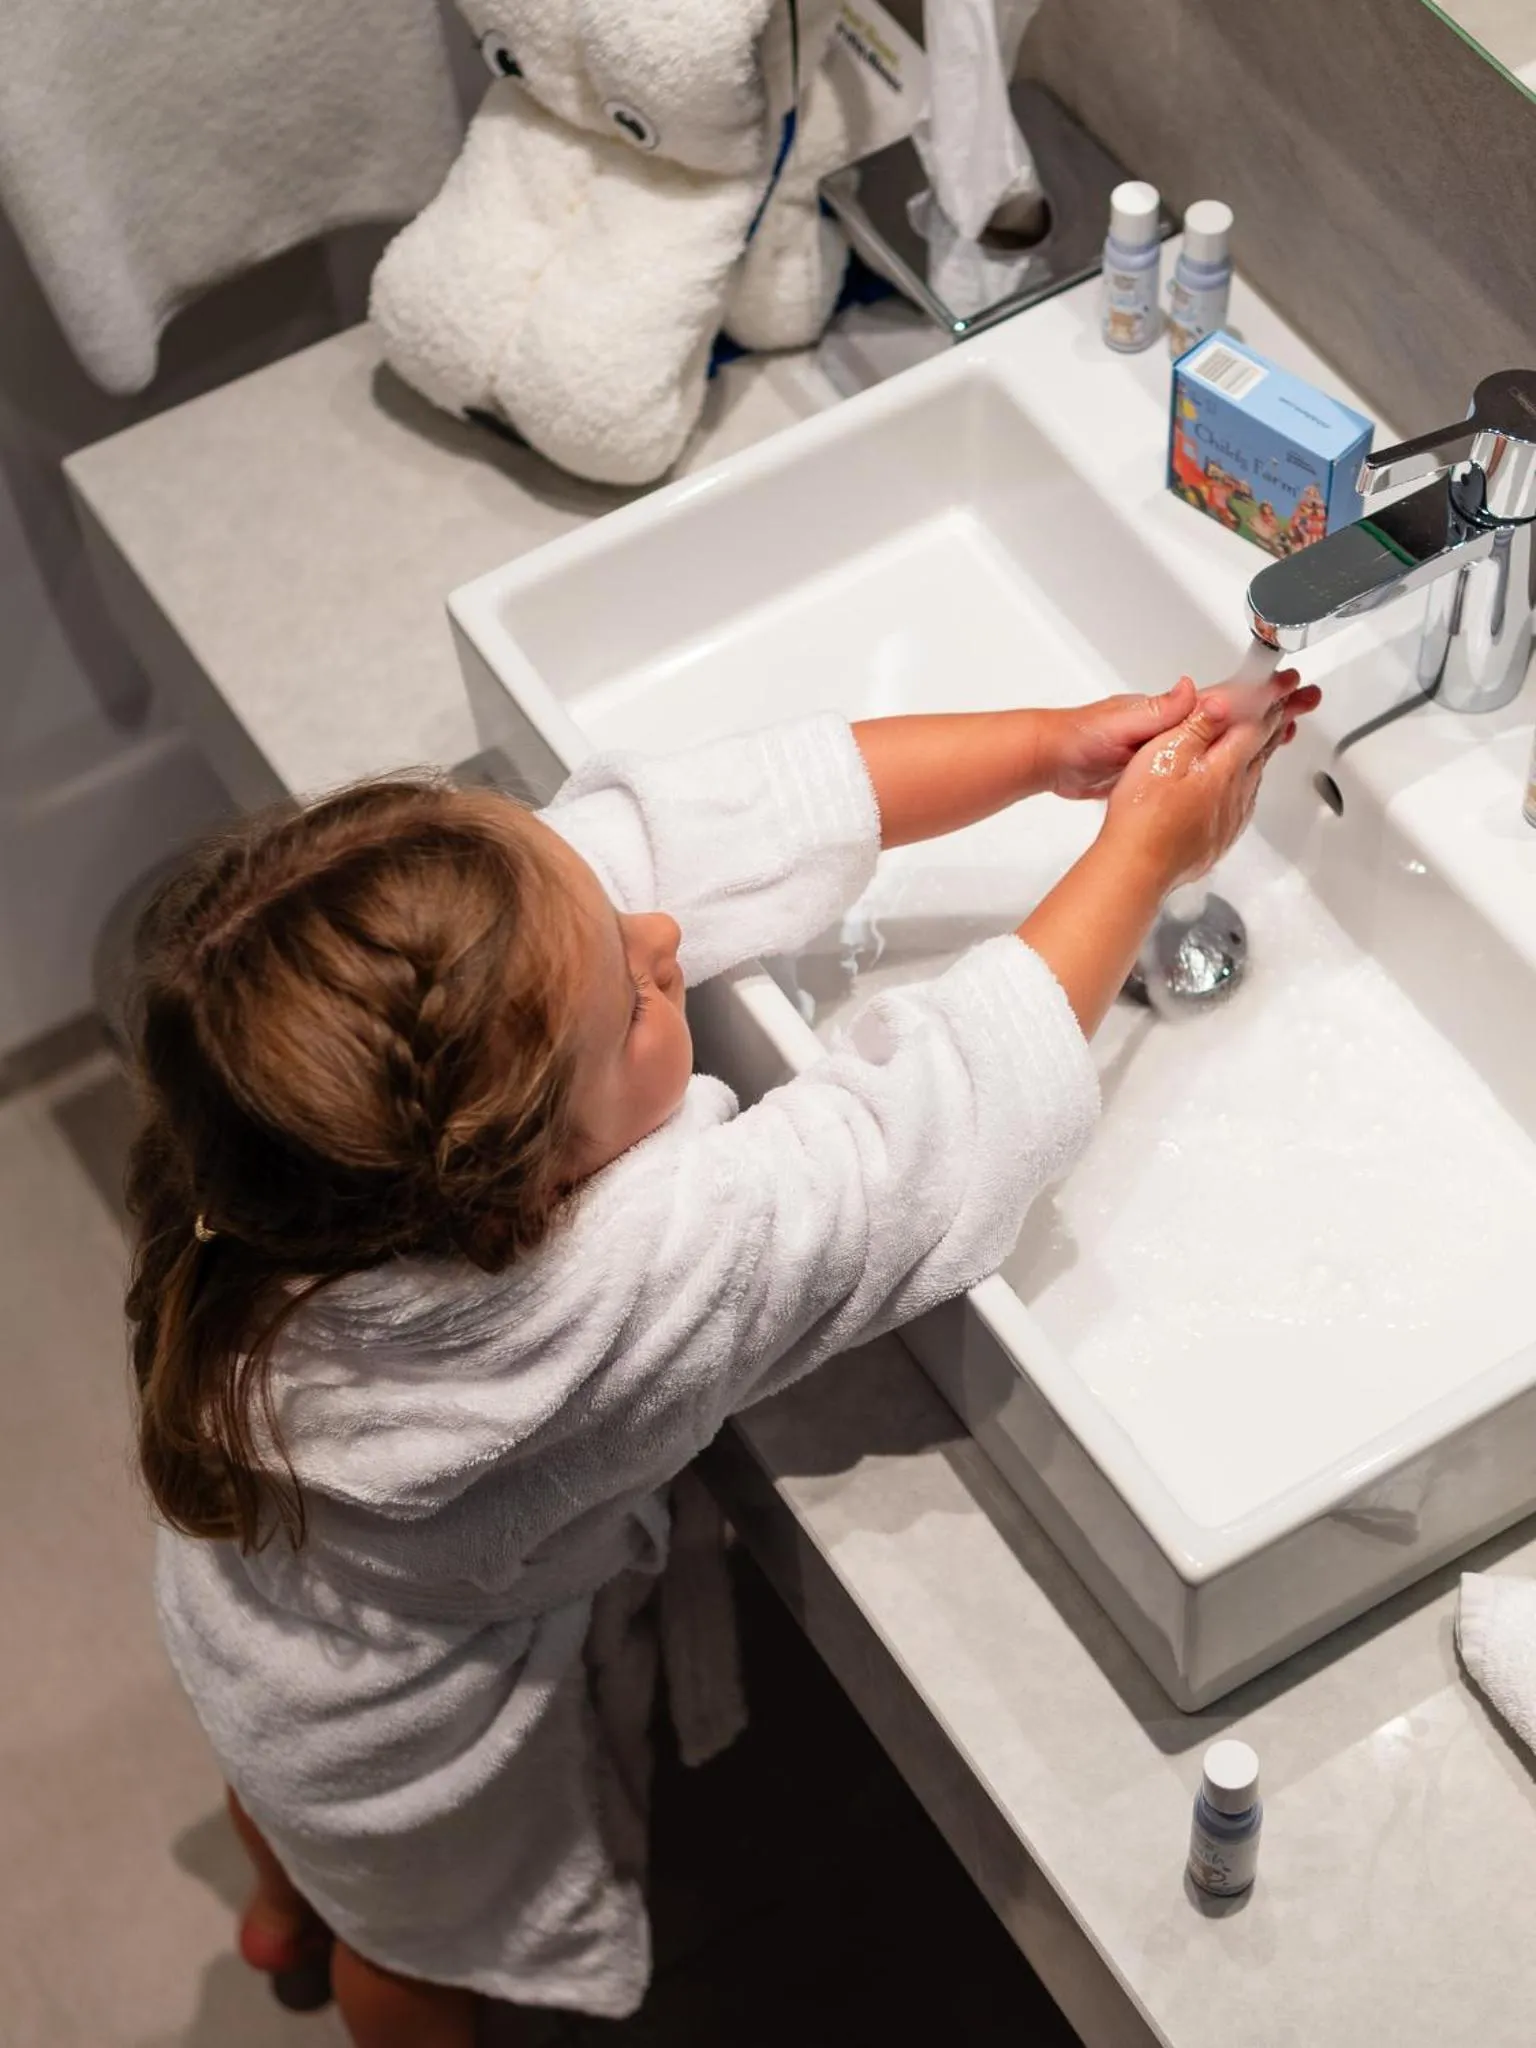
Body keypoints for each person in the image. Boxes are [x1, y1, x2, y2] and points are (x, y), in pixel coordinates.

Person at [127, 672, 1315, 2046]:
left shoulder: (305, 1124)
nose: (663, 934)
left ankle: (272, 1904)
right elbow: (918, 1143)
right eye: (635, 1003)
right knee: (411, 1948)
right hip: (393, 1749)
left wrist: (1047, 748)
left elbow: (705, 827)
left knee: (272, 1805)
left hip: (240, 1628)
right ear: (523, 1194)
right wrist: (1141, 854)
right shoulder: (577, 1318)